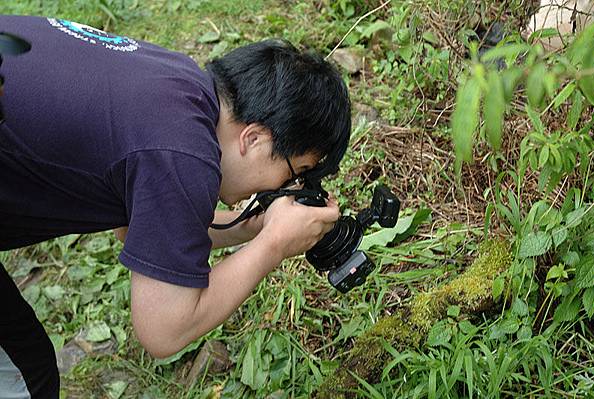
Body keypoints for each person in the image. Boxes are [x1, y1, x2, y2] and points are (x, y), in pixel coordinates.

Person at [0, 15, 350, 398]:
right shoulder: (184, 152)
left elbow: (138, 229)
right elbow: (163, 329)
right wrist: (274, 245)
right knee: (24, 377)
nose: (284, 187)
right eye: (291, 172)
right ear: (255, 139)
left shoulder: (182, 86)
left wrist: (252, 225)